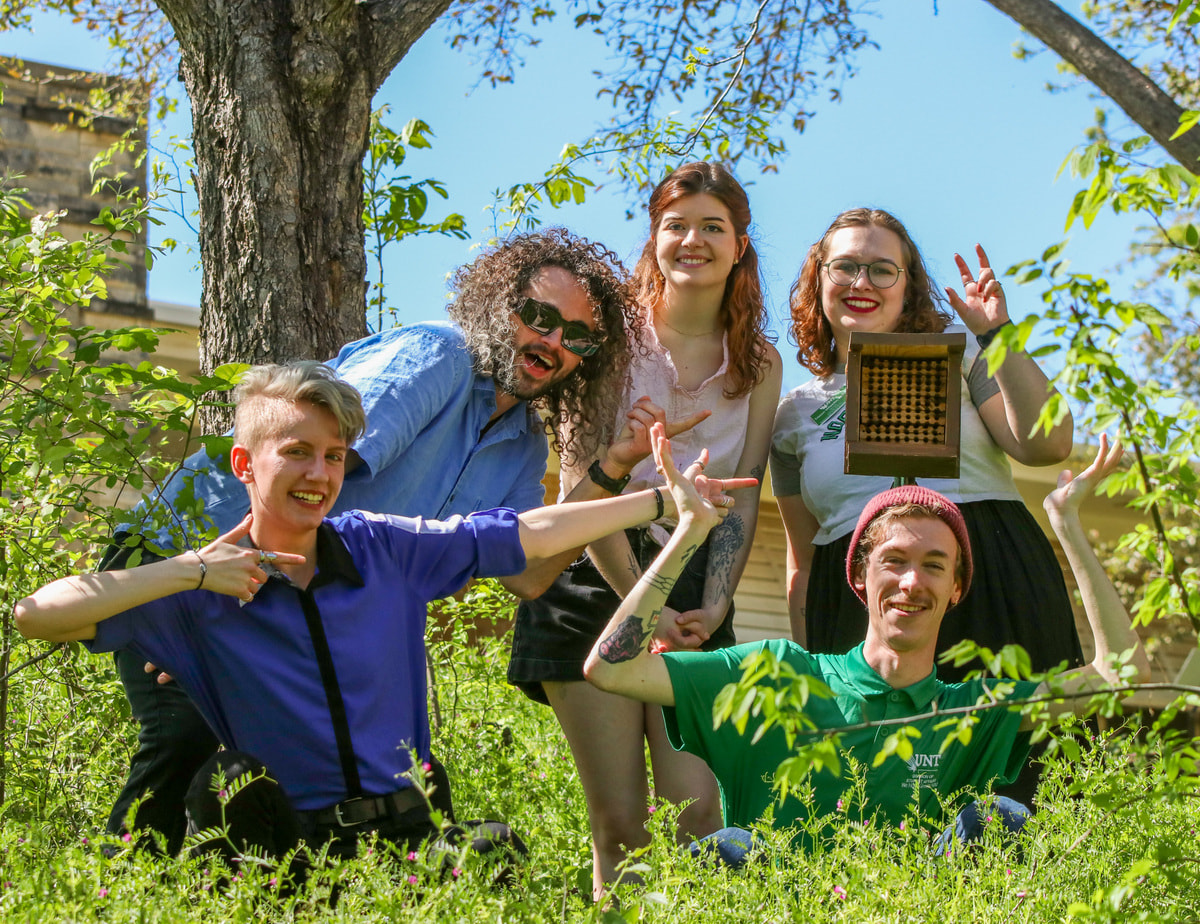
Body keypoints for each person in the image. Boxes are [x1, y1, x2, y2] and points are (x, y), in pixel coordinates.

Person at [15, 363, 751, 869]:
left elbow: (530, 535)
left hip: (407, 840)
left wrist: (662, 501)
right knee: (225, 780)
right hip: (286, 858)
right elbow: (35, 614)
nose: (319, 475)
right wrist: (191, 570)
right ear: (245, 465)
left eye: (334, 457)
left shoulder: (383, 548)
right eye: (297, 453)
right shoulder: (194, 596)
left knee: (495, 851)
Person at [104, 228, 653, 854]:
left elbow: (530, 575)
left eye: (576, 336)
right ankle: (115, 889)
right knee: (185, 742)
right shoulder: (439, 356)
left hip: (273, 597)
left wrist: (610, 470)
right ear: (501, 307)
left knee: (296, 778)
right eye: (539, 317)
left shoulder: (524, 445)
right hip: (183, 555)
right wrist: (198, 600)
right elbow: (304, 474)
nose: (552, 341)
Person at [585, 427, 1147, 864]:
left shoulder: (971, 712)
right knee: (728, 846)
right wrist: (686, 531)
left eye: (934, 566)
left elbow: (1125, 679)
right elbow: (612, 669)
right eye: (894, 562)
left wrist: (1067, 524)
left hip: (908, 909)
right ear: (859, 577)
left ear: (956, 589)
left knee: (999, 817)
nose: (911, 583)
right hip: (779, 911)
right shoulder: (776, 673)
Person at [507, 162, 782, 896]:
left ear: (739, 245)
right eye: (676, 224)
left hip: (693, 597)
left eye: (712, 227)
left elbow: (745, 498)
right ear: (654, 238)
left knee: (701, 818)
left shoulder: (758, 366)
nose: (692, 239)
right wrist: (645, 605)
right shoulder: (608, 340)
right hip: (593, 579)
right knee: (621, 826)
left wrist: (716, 604)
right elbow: (577, 494)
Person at [771, 208, 1082, 684]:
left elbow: (1048, 445)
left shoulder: (961, 351)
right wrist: (811, 666)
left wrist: (996, 334)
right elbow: (803, 558)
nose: (862, 282)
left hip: (990, 572)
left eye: (882, 270)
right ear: (819, 278)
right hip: (858, 603)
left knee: (1019, 747)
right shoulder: (794, 412)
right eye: (846, 266)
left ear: (907, 284)